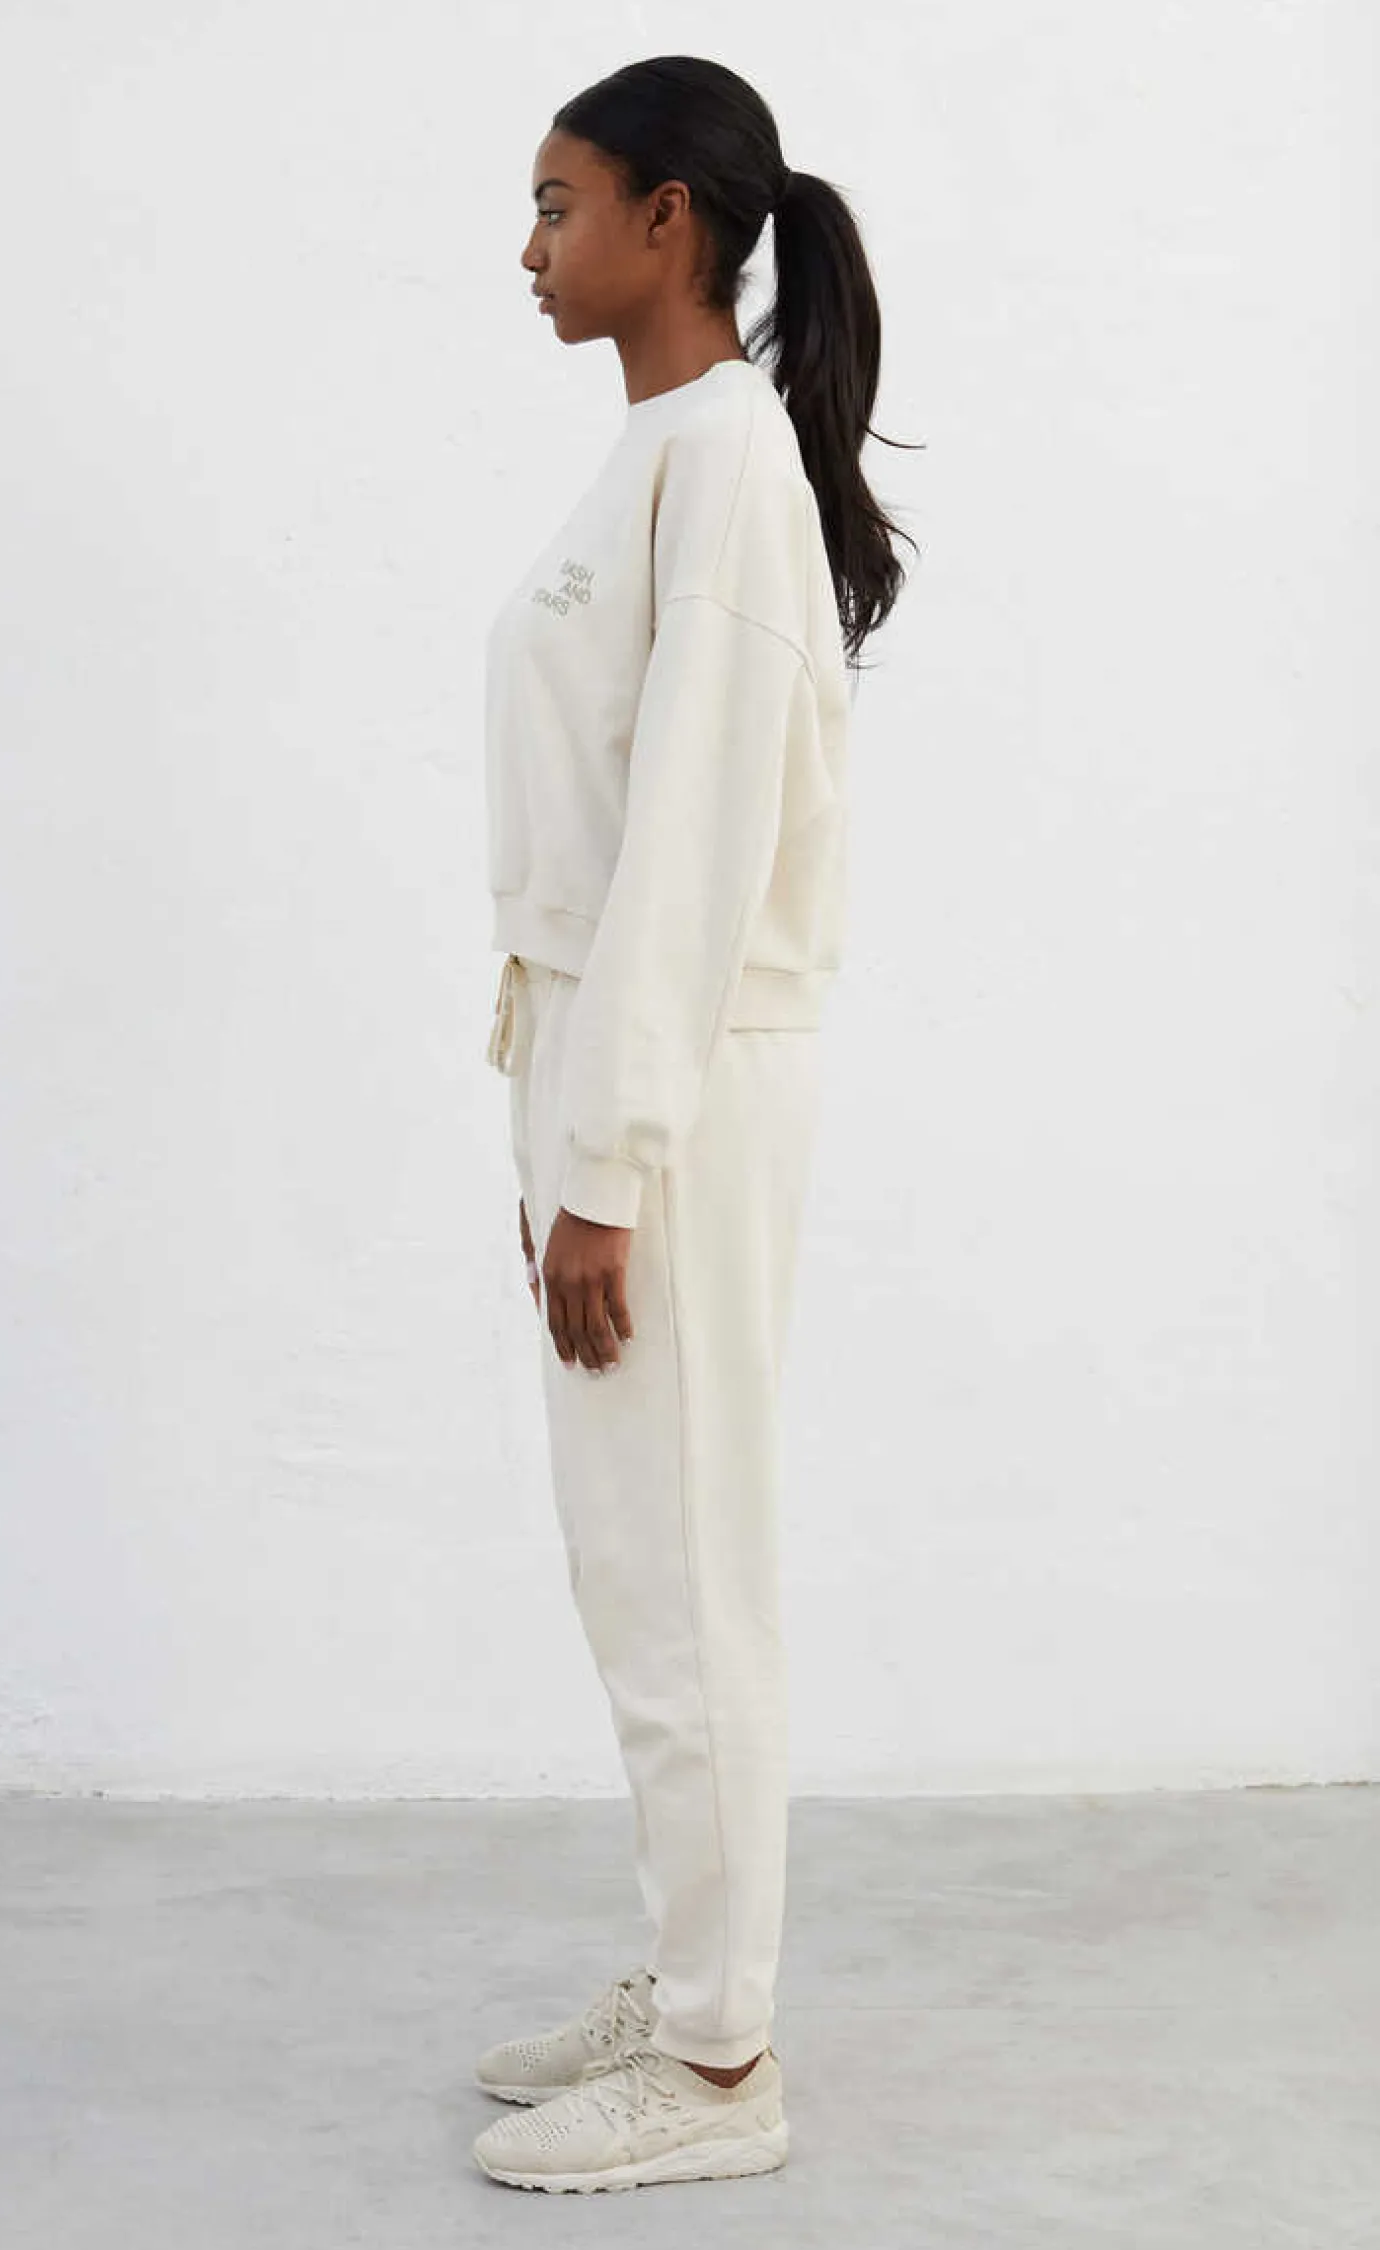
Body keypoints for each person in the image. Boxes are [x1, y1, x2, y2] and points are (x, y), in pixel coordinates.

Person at [472, 53, 914, 2194]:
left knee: (687, 1557)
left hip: (685, 1085)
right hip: (614, 1066)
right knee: (634, 1554)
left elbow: (695, 847)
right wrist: (563, 1119)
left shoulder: (725, 461)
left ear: (670, 220)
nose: (528, 248)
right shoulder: (668, 449)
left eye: (559, 205)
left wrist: (607, 1166)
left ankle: (726, 2065)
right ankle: (692, 1971)